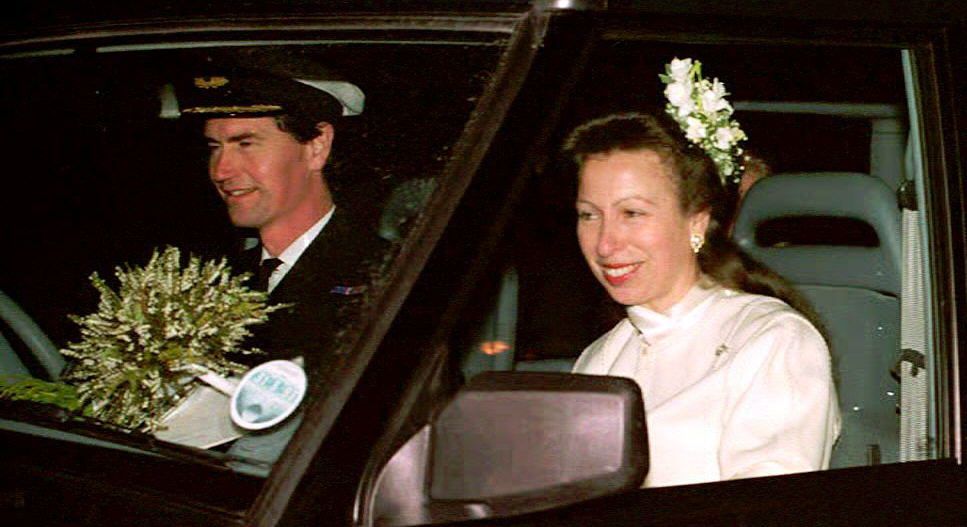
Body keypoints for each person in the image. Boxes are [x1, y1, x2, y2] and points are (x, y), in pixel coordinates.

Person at [563, 112, 840, 488]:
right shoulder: (601, 357)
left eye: (632, 213)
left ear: (696, 223)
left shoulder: (772, 341)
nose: (605, 243)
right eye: (589, 215)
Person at [177, 70, 387, 375]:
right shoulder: (212, 278)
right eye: (214, 147)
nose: (221, 171)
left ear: (317, 146)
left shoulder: (385, 275)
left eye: (245, 144)